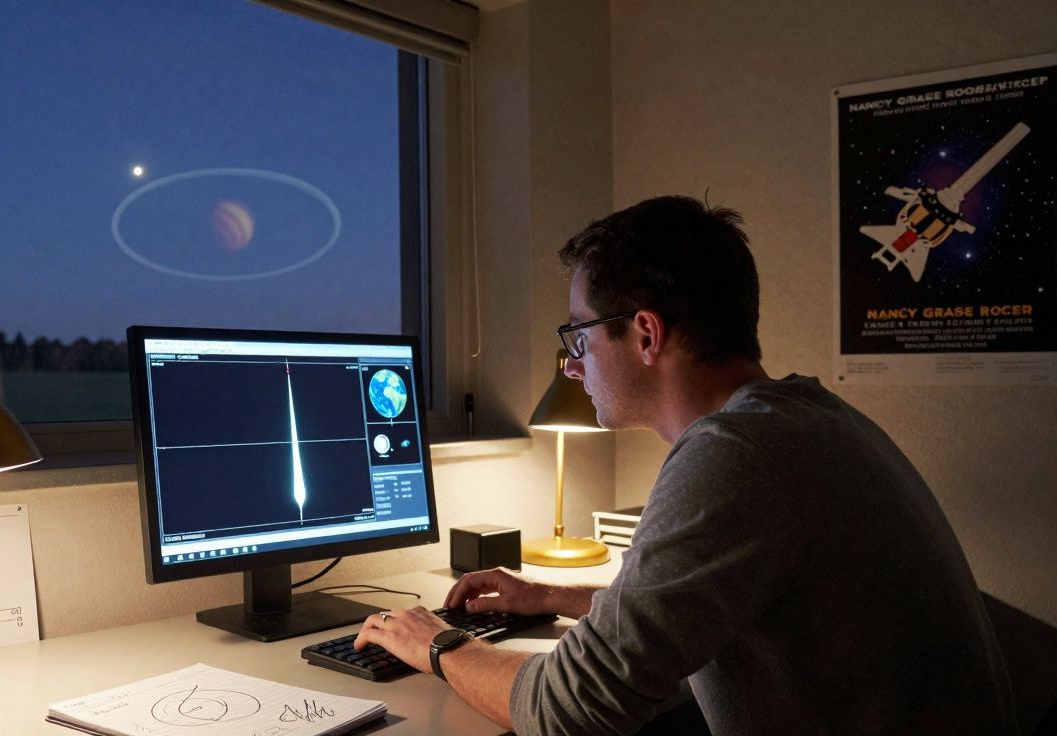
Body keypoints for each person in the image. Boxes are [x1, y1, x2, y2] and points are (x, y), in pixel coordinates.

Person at [352, 195, 1018, 735]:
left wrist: (438, 644)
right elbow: (706, 601)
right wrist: (552, 596)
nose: (574, 363)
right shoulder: (807, 420)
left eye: (578, 335)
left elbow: (568, 710)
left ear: (645, 333)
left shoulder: (738, 455)